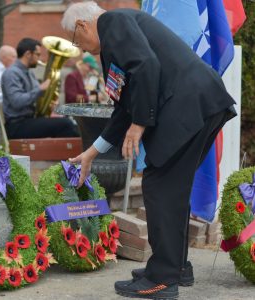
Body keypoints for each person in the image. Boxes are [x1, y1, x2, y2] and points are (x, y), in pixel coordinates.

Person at [61, 2, 236, 299]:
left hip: (189, 105)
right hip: (200, 104)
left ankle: (162, 278)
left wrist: (140, 124)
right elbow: (123, 108)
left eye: (77, 42)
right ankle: (176, 267)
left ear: (82, 26)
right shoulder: (116, 37)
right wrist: (92, 152)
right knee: (173, 187)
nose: (82, 50)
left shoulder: (113, 22)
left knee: (160, 186)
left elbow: (146, 66)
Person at [1, 38, 79, 139]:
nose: (40, 58)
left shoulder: (29, 72)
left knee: (71, 121)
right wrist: (40, 89)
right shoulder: (11, 73)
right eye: (37, 54)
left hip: (30, 120)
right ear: (28, 54)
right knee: (66, 124)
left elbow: (35, 98)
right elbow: (17, 101)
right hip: (17, 125)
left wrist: (49, 102)